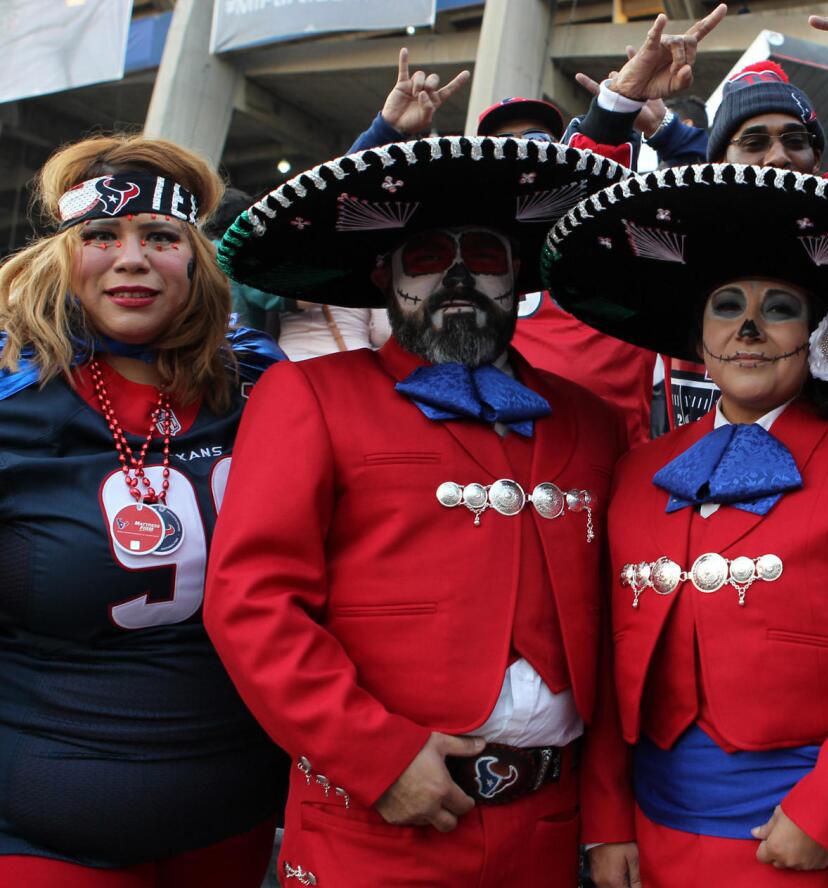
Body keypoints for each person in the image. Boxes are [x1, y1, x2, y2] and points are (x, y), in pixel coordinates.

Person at [544, 160, 828, 888]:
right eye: (727, 305)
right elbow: (607, 660)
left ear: (822, 338)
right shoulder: (634, 473)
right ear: (697, 338)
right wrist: (605, 821)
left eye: (779, 307)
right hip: (656, 841)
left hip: (809, 843)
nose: (749, 328)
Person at [204, 134, 629, 887]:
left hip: (547, 832)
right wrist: (377, 758)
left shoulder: (590, 423)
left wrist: (607, 818)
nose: (459, 276)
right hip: (371, 827)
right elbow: (252, 602)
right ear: (384, 276)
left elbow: (608, 634)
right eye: (428, 256)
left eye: (485, 256)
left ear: (519, 278)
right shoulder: (310, 395)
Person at [0, 135, 287, 885]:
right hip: (45, 824)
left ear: (196, 258)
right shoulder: (11, 403)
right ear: (63, 255)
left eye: (160, 237)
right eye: (101, 236)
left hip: (237, 817)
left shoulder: (260, 379)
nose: (132, 259)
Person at [346, 48, 660, 445]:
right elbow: (346, 223)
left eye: (535, 138)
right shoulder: (457, 248)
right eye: (502, 143)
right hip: (482, 458)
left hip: (604, 467)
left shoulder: (598, 230)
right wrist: (386, 131)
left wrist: (629, 111)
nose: (519, 150)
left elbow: (605, 155)